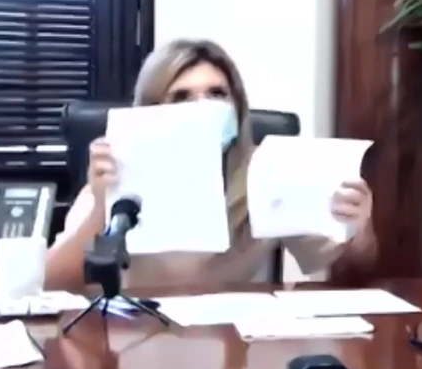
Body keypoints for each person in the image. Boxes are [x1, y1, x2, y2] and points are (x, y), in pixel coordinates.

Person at [45, 39, 377, 290]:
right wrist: (101, 207)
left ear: (237, 107)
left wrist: (358, 230)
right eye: (181, 97)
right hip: (134, 343)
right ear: (151, 110)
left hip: (230, 351)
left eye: (217, 94)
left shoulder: (265, 171)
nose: (203, 108)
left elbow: (352, 273)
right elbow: (53, 283)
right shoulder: (120, 169)